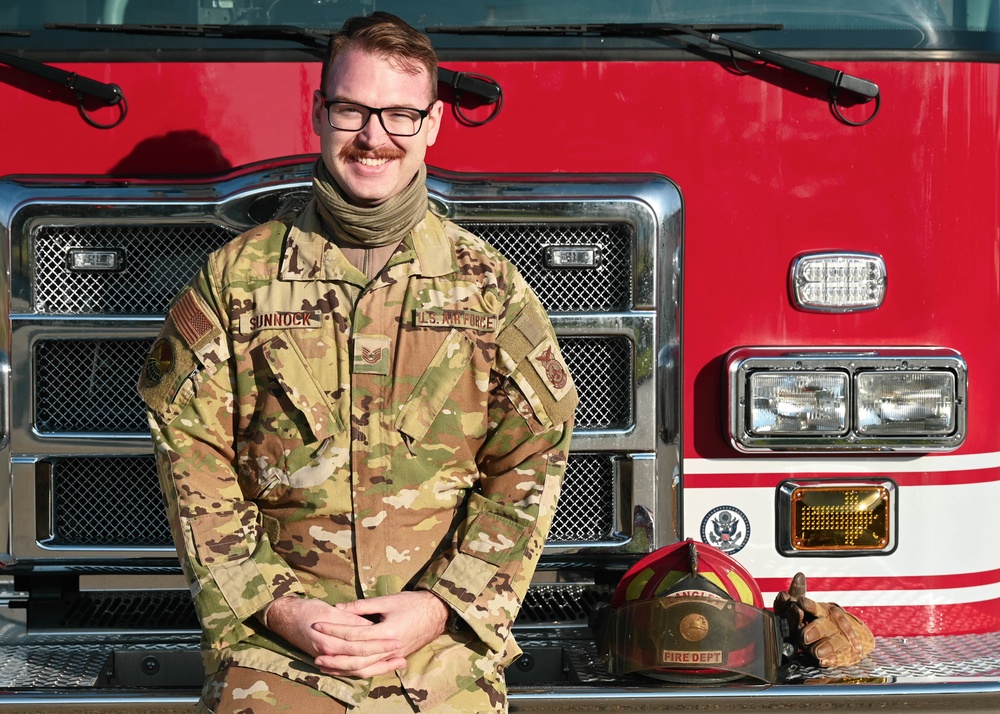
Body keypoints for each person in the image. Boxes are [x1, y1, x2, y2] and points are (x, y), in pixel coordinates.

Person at [137, 12, 576, 714]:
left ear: (433, 124)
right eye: (353, 110)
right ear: (318, 114)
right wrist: (282, 611)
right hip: (274, 650)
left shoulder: (492, 290)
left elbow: (530, 458)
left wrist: (438, 606)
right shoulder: (232, 284)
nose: (375, 137)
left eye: (401, 115)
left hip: (439, 650)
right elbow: (195, 460)